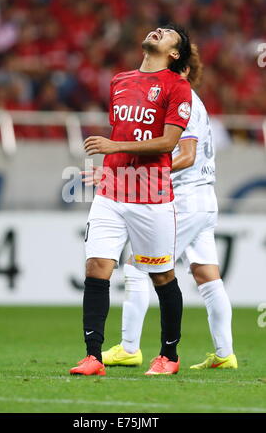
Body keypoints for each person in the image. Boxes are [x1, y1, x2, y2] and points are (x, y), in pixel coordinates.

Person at [100, 45, 238, 370]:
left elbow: (186, 156)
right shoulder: (189, 100)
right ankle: (224, 353)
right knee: (206, 274)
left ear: (184, 70)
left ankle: (129, 347)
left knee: (137, 263)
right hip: (204, 197)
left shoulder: (183, 98)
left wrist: (144, 170)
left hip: (187, 196)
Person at [69, 24, 192, 376]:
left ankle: (169, 355)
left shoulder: (177, 87)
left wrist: (114, 147)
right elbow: (124, 132)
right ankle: (93, 356)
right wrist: (109, 169)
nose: (159, 30)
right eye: (158, 27)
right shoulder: (119, 81)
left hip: (152, 199)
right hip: (111, 194)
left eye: (168, 33)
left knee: (162, 276)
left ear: (174, 54)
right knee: (97, 267)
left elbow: (168, 143)